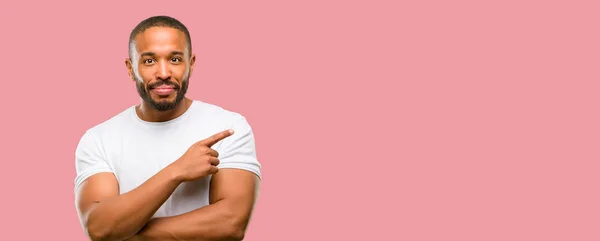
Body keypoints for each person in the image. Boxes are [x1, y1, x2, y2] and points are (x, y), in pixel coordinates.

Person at [74, 15, 262, 241]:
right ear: (130, 68)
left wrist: (127, 234)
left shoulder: (228, 126)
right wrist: (176, 172)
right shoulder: (99, 139)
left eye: (174, 59)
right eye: (149, 61)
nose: (163, 73)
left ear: (190, 64)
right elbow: (99, 226)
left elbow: (231, 224)